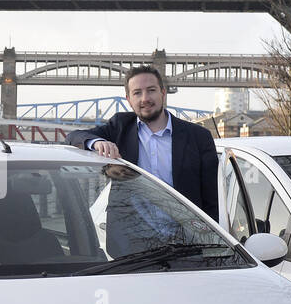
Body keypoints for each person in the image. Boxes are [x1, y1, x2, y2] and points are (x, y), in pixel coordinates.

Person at [67, 65, 219, 219]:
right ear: (129, 99)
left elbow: (212, 200)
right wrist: (97, 142)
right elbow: (73, 137)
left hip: (187, 236)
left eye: (151, 90)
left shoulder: (199, 137)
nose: (145, 98)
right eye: (137, 93)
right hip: (131, 235)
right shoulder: (119, 126)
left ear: (163, 93)